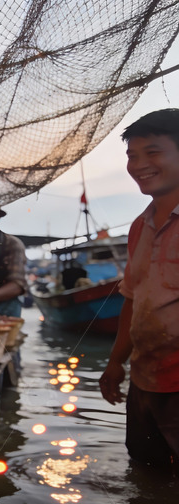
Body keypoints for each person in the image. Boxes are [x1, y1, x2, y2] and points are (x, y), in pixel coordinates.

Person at [99, 108, 179, 475]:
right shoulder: (138, 227)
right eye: (133, 155)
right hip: (144, 380)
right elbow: (133, 300)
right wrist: (116, 362)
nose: (139, 165)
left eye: (153, 152)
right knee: (146, 475)